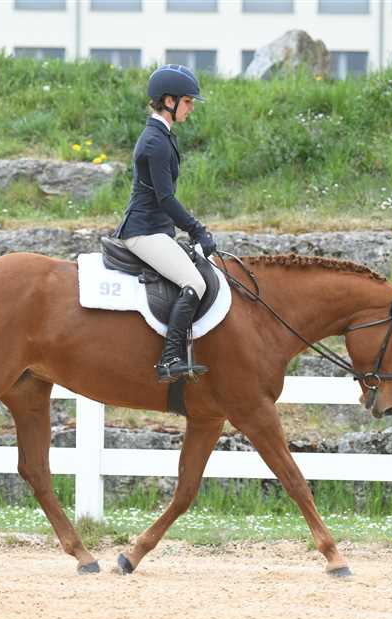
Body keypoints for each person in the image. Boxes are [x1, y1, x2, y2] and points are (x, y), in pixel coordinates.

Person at [113, 64, 216, 383]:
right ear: (169, 101)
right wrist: (197, 229)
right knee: (195, 283)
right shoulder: (155, 142)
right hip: (144, 231)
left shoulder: (162, 136)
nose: (191, 107)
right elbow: (165, 198)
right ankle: (170, 358)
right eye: (187, 101)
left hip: (156, 229)